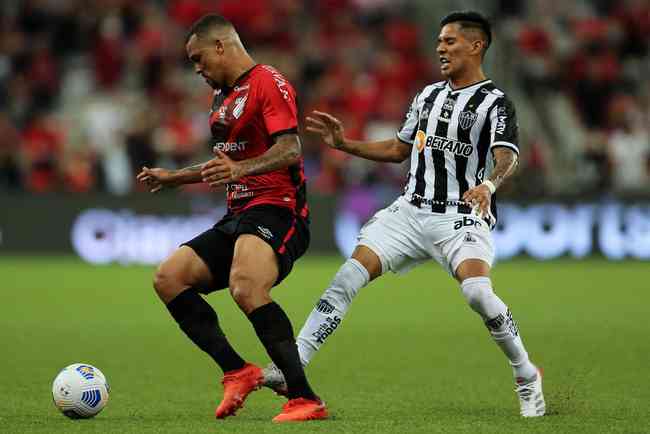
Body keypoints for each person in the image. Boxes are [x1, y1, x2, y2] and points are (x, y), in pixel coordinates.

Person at [263, 11, 546, 417]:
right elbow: (399, 149)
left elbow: (507, 156)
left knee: (478, 293)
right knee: (347, 277)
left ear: (476, 45)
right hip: (410, 213)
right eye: (439, 41)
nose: (440, 48)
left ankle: (525, 374)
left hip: (460, 215)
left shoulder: (495, 102)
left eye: (450, 41)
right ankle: (294, 368)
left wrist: (489, 185)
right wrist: (345, 144)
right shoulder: (427, 95)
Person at [136, 14, 328, 423]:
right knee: (169, 278)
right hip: (238, 214)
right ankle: (237, 370)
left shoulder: (267, 82)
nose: (197, 69)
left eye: (198, 58)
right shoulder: (223, 97)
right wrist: (177, 177)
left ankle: (304, 397)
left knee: (245, 285)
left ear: (221, 46)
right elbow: (229, 161)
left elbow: (291, 148)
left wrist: (241, 171)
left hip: (280, 208)